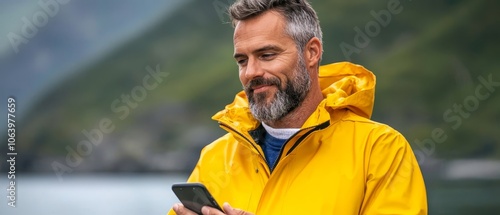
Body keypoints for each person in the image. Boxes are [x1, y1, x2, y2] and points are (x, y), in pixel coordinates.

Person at [170, 0, 427, 214]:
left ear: (312, 52)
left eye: (267, 55)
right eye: (242, 60)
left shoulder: (380, 150)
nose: (251, 72)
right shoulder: (214, 157)